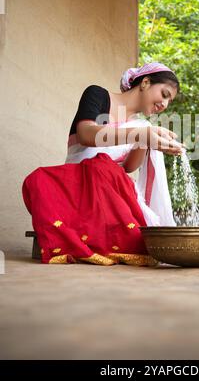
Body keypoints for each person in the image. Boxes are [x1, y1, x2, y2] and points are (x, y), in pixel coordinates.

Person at [22, 62, 184, 266]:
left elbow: (127, 169)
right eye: (165, 94)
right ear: (145, 82)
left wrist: (146, 140)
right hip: (76, 187)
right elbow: (85, 134)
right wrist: (141, 134)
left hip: (107, 194)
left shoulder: (142, 126)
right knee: (44, 178)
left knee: (108, 172)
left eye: (169, 101)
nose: (165, 104)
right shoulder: (98, 94)